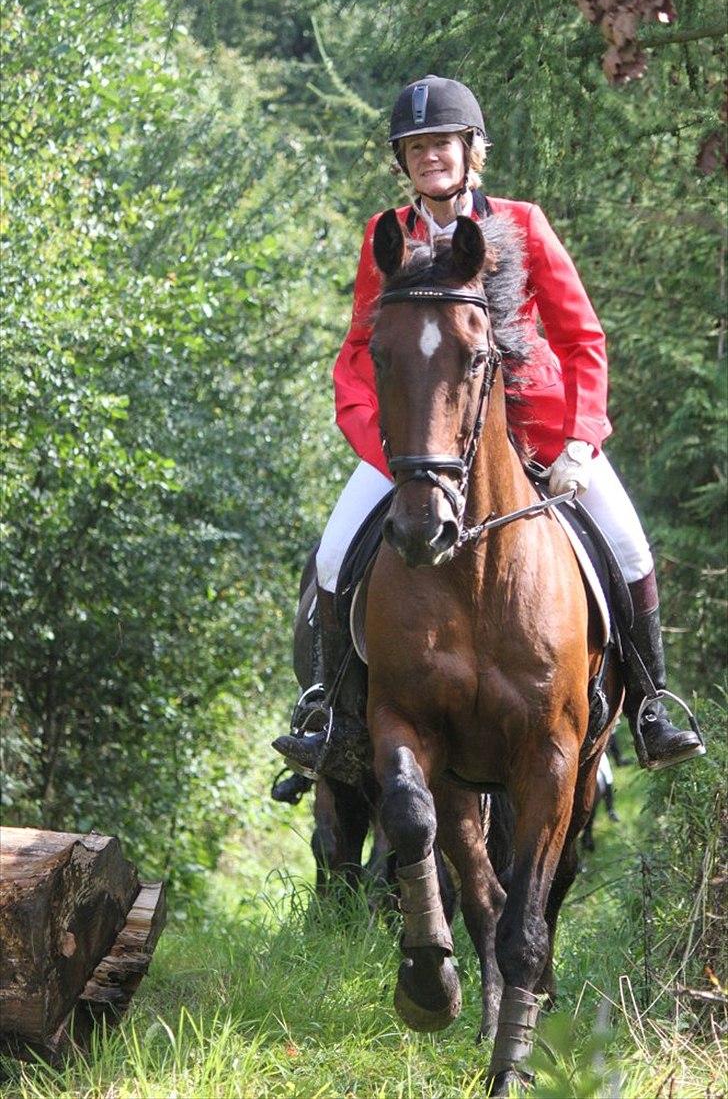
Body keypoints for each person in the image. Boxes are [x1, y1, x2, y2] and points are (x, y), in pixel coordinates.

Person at [272, 74, 704, 797]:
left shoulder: (525, 224)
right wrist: (389, 453)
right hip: (420, 446)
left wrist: (580, 441)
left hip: (539, 438)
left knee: (629, 547)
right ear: (401, 162)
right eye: (415, 148)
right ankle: (327, 716)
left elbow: (583, 339)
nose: (429, 157)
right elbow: (355, 356)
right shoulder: (387, 238)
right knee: (333, 554)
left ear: (471, 150)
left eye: (440, 143)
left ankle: (653, 707)